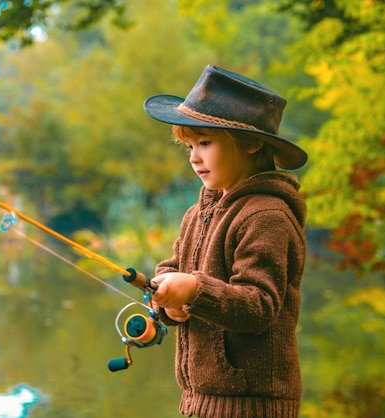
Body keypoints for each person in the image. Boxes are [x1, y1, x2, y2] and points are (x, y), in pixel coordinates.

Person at [144, 64, 308, 418]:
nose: (193, 157)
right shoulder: (195, 214)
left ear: (250, 143)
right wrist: (169, 303)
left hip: (252, 406)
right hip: (198, 401)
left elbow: (259, 304)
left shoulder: (267, 215)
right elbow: (173, 270)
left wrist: (193, 291)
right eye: (188, 145)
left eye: (205, 143)